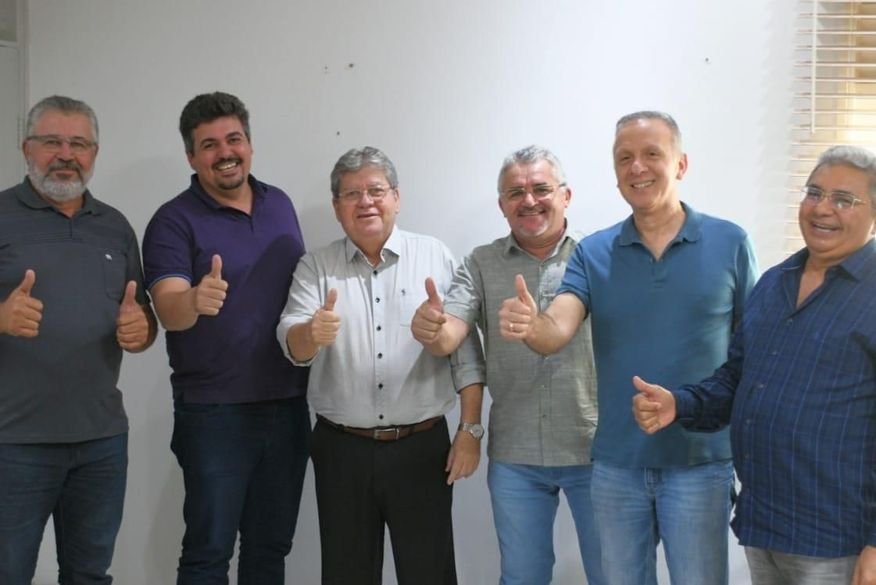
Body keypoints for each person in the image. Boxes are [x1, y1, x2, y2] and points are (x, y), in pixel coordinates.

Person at [498, 111, 758, 585]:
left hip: (699, 462)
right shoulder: (594, 252)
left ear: (680, 164)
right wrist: (531, 326)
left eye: (651, 154)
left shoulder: (730, 242)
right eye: (624, 158)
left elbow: (753, 352)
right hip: (618, 465)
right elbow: (556, 329)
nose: (637, 167)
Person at [632, 145, 876, 585]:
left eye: (844, 199)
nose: (823, 208)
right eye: (814, 192)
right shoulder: (774, 282)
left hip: (838, 540)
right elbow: (737, 378)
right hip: (765, 525)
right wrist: (679, 404)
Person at [276, 146, 483, 585]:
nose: (365, 202)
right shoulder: (315, 267)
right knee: (346, 574)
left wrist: (470, 431)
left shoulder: (435, 257)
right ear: (337, 207)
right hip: (341, 450)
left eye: (375, 190)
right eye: (352, 194)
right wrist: (311, 332)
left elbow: (466, 354)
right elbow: (291, 340)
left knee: (430, 574)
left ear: (396, 198)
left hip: (422, 448)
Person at [411, 145, 604, 585]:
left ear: (566, 196)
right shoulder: (481, 262)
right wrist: (432, 329)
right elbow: (450, 334)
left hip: (594, 447)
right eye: (516, 192)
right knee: (521, 576)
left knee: (613, 573)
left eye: (541, 189)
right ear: (502, 205)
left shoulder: (598, 256)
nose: (529, 200)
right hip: (517, 453)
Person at [142, 91, 310, 585]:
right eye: (209, 145)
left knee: (270, 549)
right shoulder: (173, 220)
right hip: (214, 413)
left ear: (249, 145)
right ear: (191, 157)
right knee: (208, 552)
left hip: (287, 404)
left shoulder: (280, 204)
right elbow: (168, 309)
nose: (225, 152)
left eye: (233, 139)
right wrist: (193, 300)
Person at [0, 95, 156, 585]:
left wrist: (142, 330)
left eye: (79, 144)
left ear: (94, 153)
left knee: (89, 575)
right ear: (27, 148)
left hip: (101, 442)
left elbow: (141, 316)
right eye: (52, 142)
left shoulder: (114, 226)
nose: (66, 155)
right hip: (13, 443)